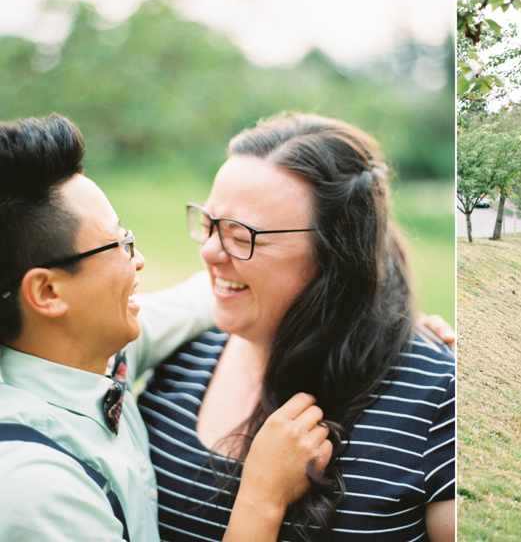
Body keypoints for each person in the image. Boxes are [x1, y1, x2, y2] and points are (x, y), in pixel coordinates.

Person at [0, 115, 333, 542]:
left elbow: (200, 299)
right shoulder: (38, 490)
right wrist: (262, 497)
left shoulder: (82, 353)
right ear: (47, 293)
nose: (138, 260)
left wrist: (357, 300)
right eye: (118, 245)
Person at [137, 113, 456, 542]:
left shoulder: (436, 399)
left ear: (335, 252)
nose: (210, 252)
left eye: (241, 234)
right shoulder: (181, 353)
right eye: (210, 224)